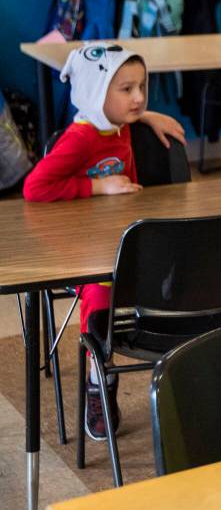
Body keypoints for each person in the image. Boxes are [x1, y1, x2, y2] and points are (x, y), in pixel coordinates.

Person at [23, 43, 184, 441]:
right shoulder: (80, 139)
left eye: (142, 87)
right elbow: (35, 187)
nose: (139, 97)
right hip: (80, 250)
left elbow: (122, 108)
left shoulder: (119, 125)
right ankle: (99, 379)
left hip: (122, 238)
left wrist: (148, 116)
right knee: (101, 298)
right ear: (97, 94)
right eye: (127, 89)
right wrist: (96, 186)